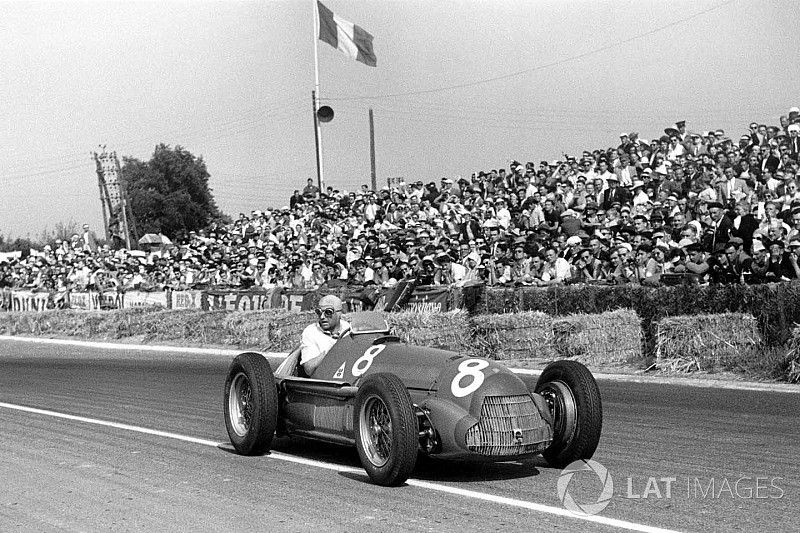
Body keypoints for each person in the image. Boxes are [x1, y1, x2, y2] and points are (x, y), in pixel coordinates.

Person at [299, 295, 350, 376]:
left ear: (339, 313)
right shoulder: (311, 332)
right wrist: (330, 351)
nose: (322, 317)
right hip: (324, 379)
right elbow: (309, 369)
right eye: (319, 312)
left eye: (328, 312)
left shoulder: (347, 327)